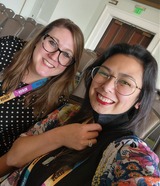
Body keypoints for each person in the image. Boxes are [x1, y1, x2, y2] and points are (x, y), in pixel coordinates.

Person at [1, 43, 160, 185]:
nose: (107, 87)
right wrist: (61, 136)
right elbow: (14, 157)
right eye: (104, 73)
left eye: (125, 82)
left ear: (140, 99)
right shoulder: (67, 113)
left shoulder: (129, 152)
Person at [0, 18, 85, 156]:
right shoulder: (8, 49)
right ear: (39, 38)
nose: (54, 57)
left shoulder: (56, 103)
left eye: (66, 54)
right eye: (52, 43)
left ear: (70, 64)